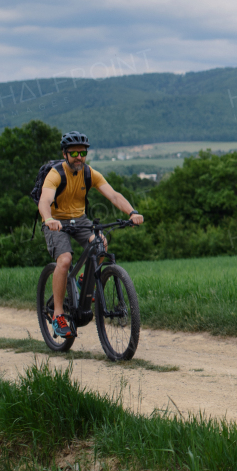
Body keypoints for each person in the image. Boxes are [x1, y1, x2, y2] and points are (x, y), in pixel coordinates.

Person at [38, 131, 144, 338]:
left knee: (100, 243)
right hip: (56, 222)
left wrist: (131, 212)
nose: (79, 157)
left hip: (80, 220)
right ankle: (59, 314)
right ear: (65, 153)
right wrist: (48, 219)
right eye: (74, 152)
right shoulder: (55, 174)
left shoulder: (89, 173)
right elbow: (45, 199)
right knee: (65, 259)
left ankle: (83, 281)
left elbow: (113, 195)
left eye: (82, 152)